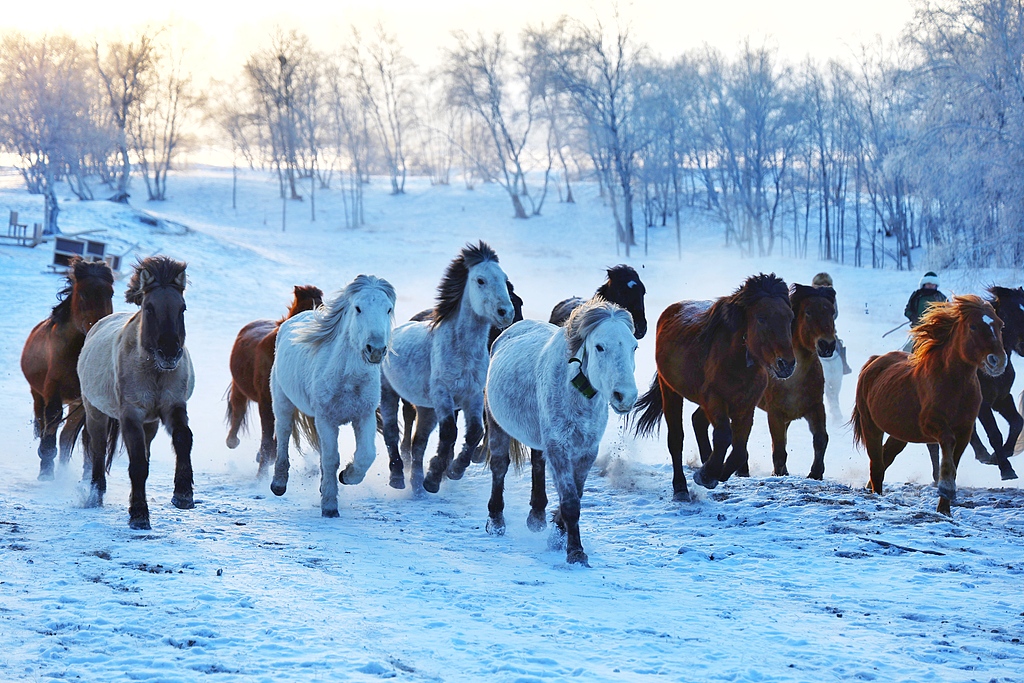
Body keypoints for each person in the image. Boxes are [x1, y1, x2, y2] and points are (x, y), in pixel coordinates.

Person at [812, 272, 851, 374]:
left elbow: (835, 313)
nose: (824, 287)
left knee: (838, 346)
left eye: (827, 284)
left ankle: (844, 366)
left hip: (829, 330)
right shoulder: (810, 298)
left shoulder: (831, 297)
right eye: (821, 284)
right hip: (813, 331)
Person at [902, 271, 947, 352]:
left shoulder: (941, 298)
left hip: (936, 333)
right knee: (907, 351)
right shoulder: (916, 296)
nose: (930, 286)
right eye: (928, 284)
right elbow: (907, 311)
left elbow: (948, 313)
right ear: (924, 284)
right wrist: (913, 317)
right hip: (919, 331)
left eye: (933, 284)